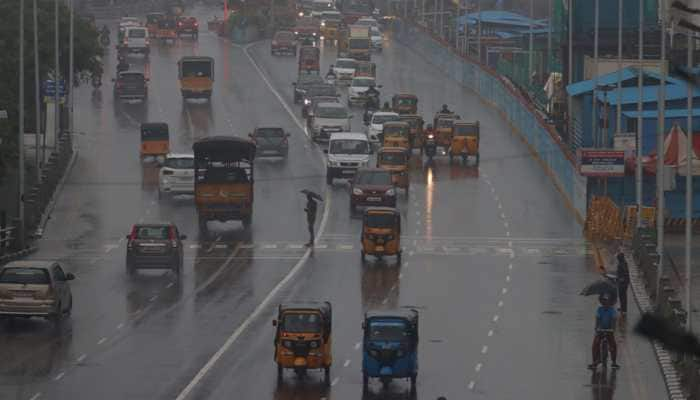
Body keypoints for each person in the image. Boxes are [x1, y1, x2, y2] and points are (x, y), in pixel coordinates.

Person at [588, 293, 619, 370]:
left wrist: (612, 329)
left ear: (609, 302)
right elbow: (598, 320)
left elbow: (613, 321)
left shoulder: (612, 311)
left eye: (607, 301)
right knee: (595, 344)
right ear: (602, 302)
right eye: (604, 301)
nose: (605, 303)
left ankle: (614, 362)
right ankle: (594, 361)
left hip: (609, 330)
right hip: (600, 330)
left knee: (613, 345)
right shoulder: (599, 309)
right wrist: (597, 328)